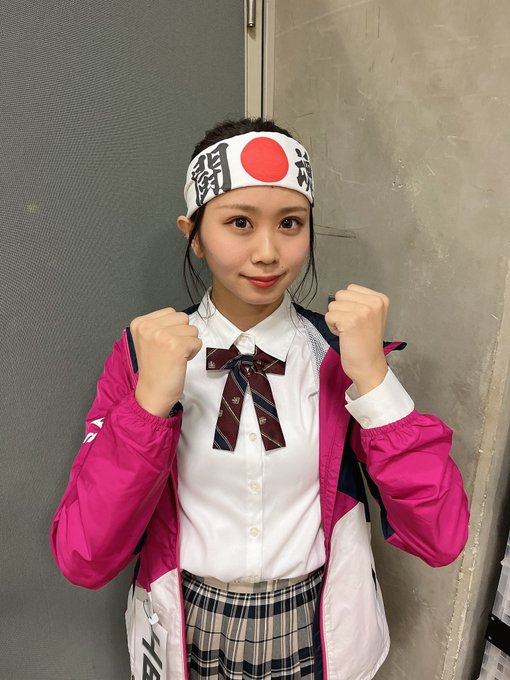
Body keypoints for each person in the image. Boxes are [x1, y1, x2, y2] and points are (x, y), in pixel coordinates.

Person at [50, 117, 470, 680]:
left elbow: (441, 537)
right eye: (240, 223)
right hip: (186, 629)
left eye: (290, 223)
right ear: (195, 235)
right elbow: (83, 555)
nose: (268, 252)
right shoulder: (140, 355)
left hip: (318, 628)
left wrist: (373, 377)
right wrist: (148, 406)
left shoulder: (337, 356)